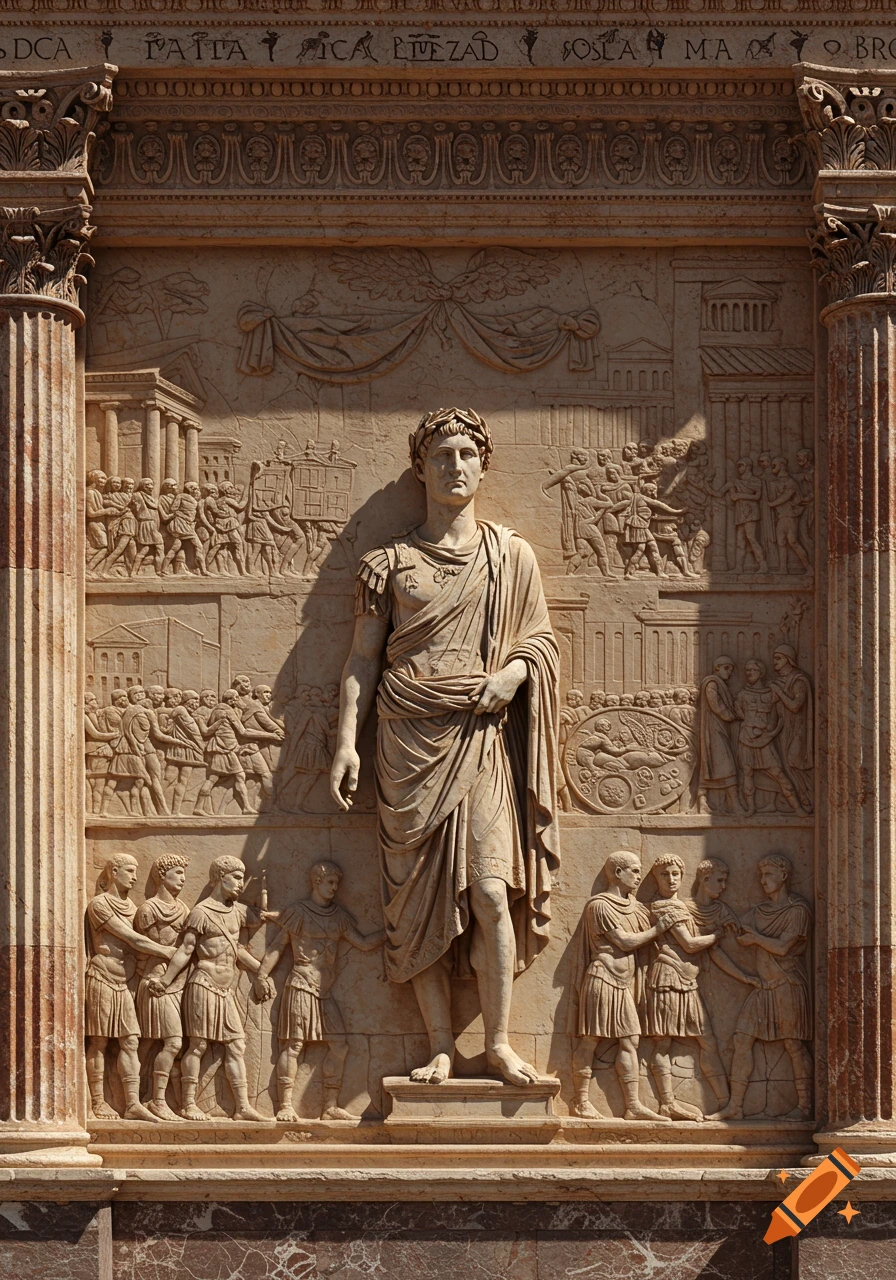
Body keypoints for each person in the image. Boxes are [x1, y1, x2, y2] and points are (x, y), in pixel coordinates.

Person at [330, 407, 559, 1086]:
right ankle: (438, 1046)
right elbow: (361, 659)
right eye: (441, 455)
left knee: (490, 891)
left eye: (466, 454)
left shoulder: (511, 556)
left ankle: (499, 1044)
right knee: (416, 904)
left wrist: (513, 674)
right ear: (420, 468)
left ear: (483, 467)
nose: (455, 466)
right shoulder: (386, 565)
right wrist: (346, 743)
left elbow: (539, 640)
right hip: (406, 741)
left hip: (479, 735)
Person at [148, 856, 273, 1122]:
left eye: (242, 878)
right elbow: (186, 950)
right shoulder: (201, 912)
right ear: (220, 877)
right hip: (203, 984)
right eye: (236, 877)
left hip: (226, 991)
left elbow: (257, 921)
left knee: (237, 1045)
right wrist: (165, 981)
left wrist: (261, 973)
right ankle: (188, 1104)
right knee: (198, 1045)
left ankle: (242, 1107)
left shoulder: (237, 911)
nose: (240, 884)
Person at [257, 861, 384, 1122]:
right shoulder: (298, 912)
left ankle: (329, 1107)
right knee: (294, 1045)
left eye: (337, 883)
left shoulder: (339, 917)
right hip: (301, 985)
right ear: (317, 881)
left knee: (340, 1046)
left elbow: (362, 943)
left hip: (324, 992)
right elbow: (277, 947)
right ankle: (285, 1106)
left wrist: (392, 934)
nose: (335, 888)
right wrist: (261, 975)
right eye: (331, 882)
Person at [567, 850, 674, 1121]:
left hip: (624, 983)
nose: (639, 876)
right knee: (590, 1039)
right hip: (602, 978)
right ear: (618, 872)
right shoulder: (599, 906)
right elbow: (624, 942)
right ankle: (581, 1101)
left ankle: (633, 1106)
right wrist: (658, 929)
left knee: (630, 1041)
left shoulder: (635, 907)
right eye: (634, 871)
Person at [708, 854, 813, 1121]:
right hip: (763, 986)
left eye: (768, 875)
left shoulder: (797, 911)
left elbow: (782, 947)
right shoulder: (759, 911)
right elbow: (736, 926)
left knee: (793, 1045)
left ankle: (805, 1106)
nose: (762, 881)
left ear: (783, 876)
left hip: (788, 984)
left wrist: (755, 939)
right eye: (761, 875)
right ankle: (735, 1106)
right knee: (742, 1039)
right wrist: (715, 915)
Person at [85, 854, 176, 1122]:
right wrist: (167, 952)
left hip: (124, 982)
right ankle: (99, 1102)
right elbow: (132, 939)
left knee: (131, 1041)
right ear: (113, 872)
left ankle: (133, 1104)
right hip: (102, 976)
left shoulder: (133, 908)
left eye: (136, 872)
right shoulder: (99, 904)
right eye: (129, 871)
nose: (135, 877)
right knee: (100, 1042)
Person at [645, 855, 733, 1120]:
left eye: (676, 874)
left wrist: (744, 976)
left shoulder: (682, 907)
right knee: (663, 1042)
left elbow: (705, 947)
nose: (671, 879)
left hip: (687, 981)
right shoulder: (664, 907)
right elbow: (690, 944)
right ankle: (667, 1103)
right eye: (664, 874)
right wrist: (717, 934)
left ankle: (727, 1103)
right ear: (656, 878)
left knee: (707, 1040)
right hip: (667, 979)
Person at [135, 854, 191, 1121]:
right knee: (169, 1042)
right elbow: (142, 949)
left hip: (178, 985)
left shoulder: (184, 910)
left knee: (151, 1043)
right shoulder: (148, 909)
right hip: (156, 984)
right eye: (177, 872)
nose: (183, 878)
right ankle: (155, 1100)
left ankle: (146, 1096)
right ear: (161, 875)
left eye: (184, 873)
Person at [734, 659, 805, 816]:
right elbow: (740, 716)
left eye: (753, 670)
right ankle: (751, 808)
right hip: (746, 739)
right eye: (747, 670)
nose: (749, 673)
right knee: (747, 773)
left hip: (766, 739)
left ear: (761, 673)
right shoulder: (742, 695)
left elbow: (781, 715)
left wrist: (774, 732)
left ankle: (797, 807)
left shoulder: (772, 694)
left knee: (778, 773)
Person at [770, 644, 813, 812]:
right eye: (774, 658)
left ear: (789, 659)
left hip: (797, 728)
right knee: (784, 764)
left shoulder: (799, 681)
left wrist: (779, 692)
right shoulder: (777, 682)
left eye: (778, 658)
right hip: (782, 729)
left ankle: (807, 795)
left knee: (793, 761)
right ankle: (799, 798)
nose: (774, 662)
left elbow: (795, 706)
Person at [696, 656, 741, 815]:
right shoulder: (712, 684)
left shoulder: (720, 684)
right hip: (714, 730)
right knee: (725, 764)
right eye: (727, 668)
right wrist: (733, 716)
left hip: (721, 729)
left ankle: (720, 803)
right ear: (717, 668)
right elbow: (717, 706)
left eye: (731, 669)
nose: (730, 672)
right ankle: (733, 804)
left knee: (715, 766)